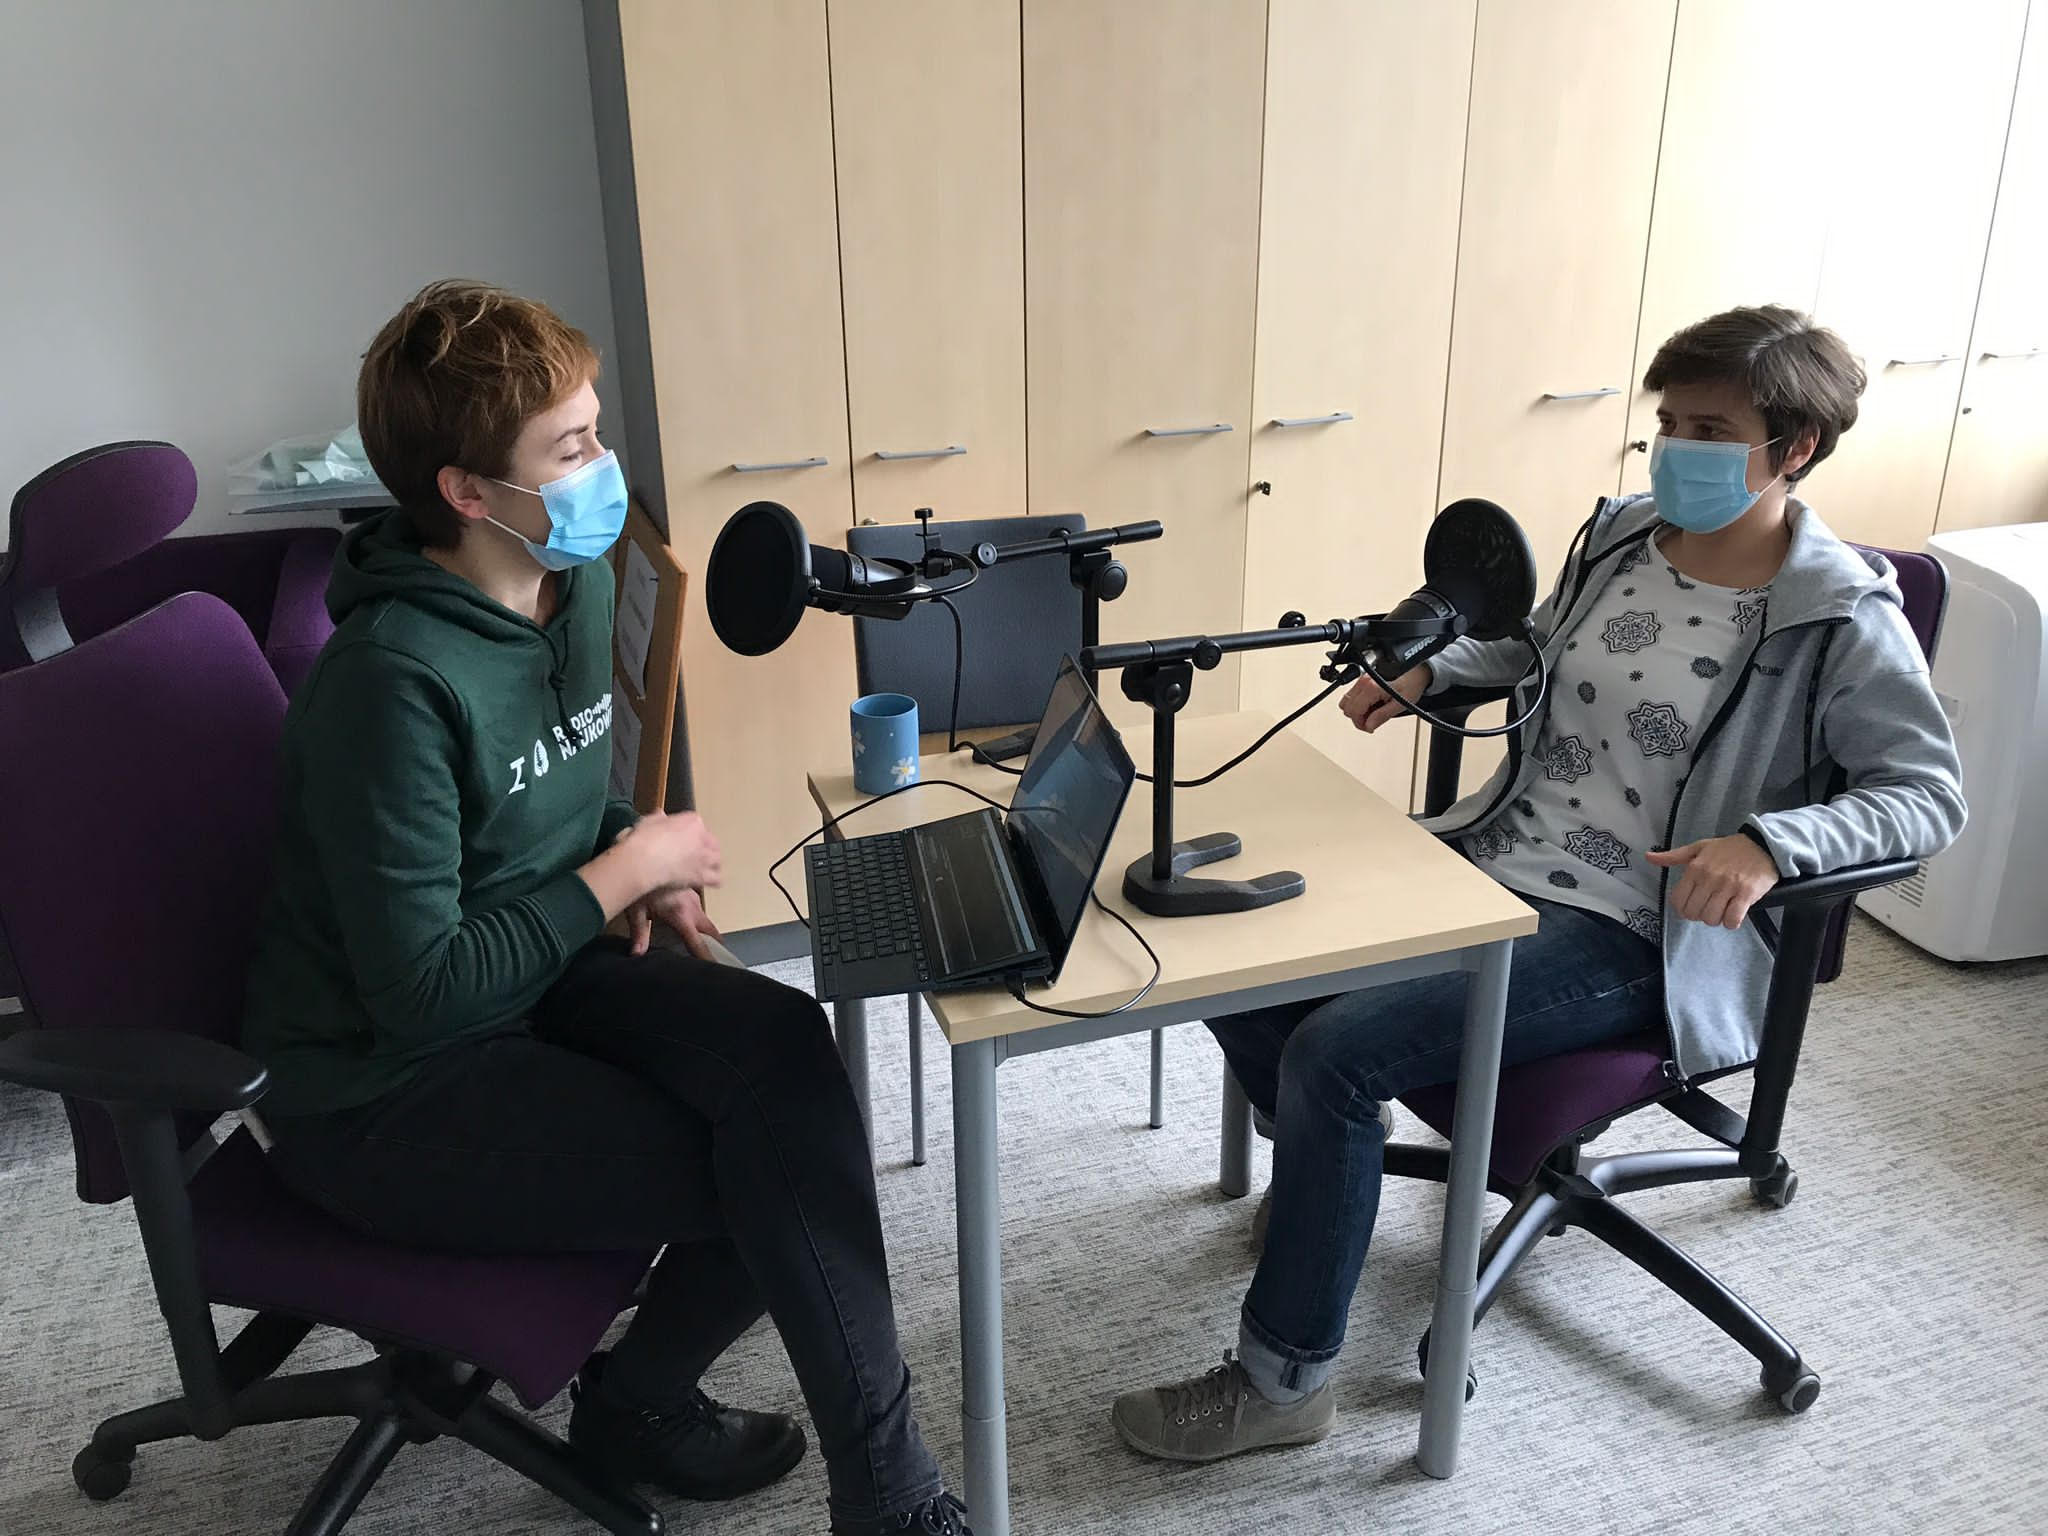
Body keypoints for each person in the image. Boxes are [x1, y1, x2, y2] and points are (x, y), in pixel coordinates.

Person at [1110, 304, 1966, 1462]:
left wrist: (1770, 845)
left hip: (1636, 930)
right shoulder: (1623, 536)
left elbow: (1924, 797)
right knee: (1232, 951)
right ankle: (1329, 1169)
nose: (1674, 450)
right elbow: (1533, 650)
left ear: (1793, 447)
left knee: (1337, 1056)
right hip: (1492, 855)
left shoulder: (1836, 615)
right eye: (1667, 423)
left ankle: (1281, 1384)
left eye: (1708, 430)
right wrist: (1431, 667)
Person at [241, 280, 972, 1536]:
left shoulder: (562, 584)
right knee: (776, 1176)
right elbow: (418, 992)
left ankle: (645, 1405)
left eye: (596, 432)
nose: (603, 470)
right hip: (381, 1087)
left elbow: (547, 799)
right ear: (468, 492)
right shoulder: (389, 683)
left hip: (536, 973)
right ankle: (882, 1502)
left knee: (786, 1059)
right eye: (569, 449)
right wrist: (624, 874)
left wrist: (632, 850)